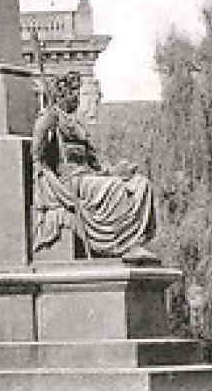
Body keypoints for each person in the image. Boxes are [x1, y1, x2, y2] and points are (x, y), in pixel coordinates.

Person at [31, 72, 158, 261]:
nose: (92, 104)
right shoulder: (51, 117)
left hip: (89, 177)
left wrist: (117, 171)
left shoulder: (76, 124)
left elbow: (96, 164)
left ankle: (135, 242)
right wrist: (46, 127)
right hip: (69, 181)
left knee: (140, 184)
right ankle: (123, 245)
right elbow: (37, 154)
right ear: (68, 95)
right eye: (85, 96)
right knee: (114, 188)